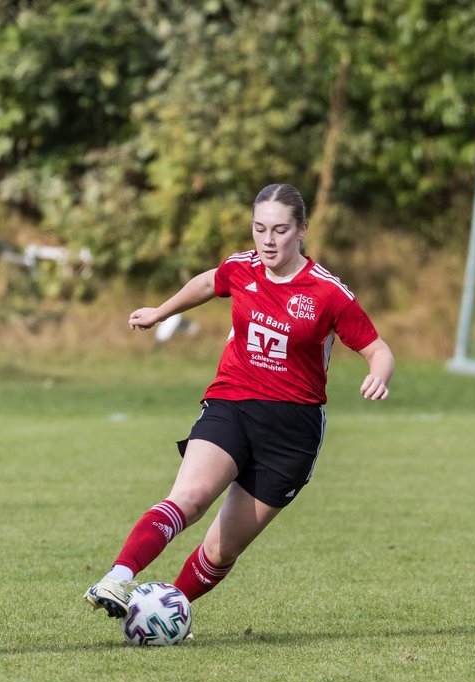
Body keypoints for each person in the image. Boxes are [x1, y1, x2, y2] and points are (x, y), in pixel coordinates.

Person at [85, 182, 395, 622]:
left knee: (220, 548)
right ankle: (118, 577)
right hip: (233, 403)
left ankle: (163, 611)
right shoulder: (242, 267)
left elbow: (378, 349)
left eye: (281, 230)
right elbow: (210, 281)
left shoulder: (328, 292)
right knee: (189, 498)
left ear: (302, 229)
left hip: (292, 433)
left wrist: (377, 376)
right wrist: (161, 311)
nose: (268, 241)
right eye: (259, 229)